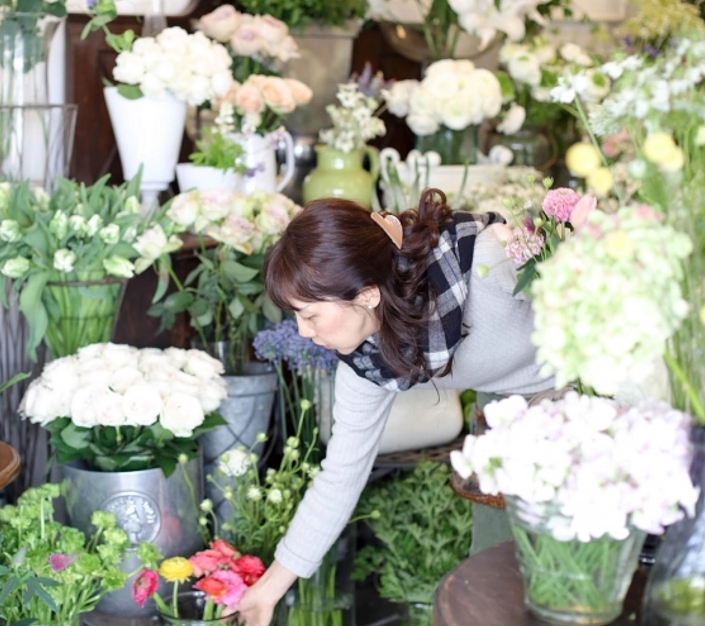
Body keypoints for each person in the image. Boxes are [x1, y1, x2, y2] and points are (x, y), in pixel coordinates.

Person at [236, 191, 554, 626]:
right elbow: (342, 473)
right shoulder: (368, 361)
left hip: (601, 393)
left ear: (366, 295)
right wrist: (268, 590)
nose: (303, 332)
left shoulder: (488, 258)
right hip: (510, 415)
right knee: (498, 590)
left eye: (310, 315)